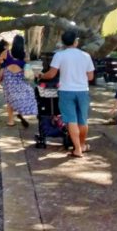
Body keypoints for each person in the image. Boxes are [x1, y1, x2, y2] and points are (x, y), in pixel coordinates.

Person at [39, 30, 95, 158]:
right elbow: (90, 77)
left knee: (71, 120)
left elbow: (51, 74)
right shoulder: (86, 56)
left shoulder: (59, 55)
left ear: (63, 42)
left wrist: (41, 75)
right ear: (76, 41)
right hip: (83, 91)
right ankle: (82, 145)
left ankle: (77, 150)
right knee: (83, 121)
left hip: (66, 91)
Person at [0, 35, 37, 128]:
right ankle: (21, 113)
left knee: (9, 100)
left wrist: (4, 66)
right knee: (20, 96)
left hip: (8, 78)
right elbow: (26, 66)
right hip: (20, 78)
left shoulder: (6, 52)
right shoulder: (25, 54)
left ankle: (11, 121)